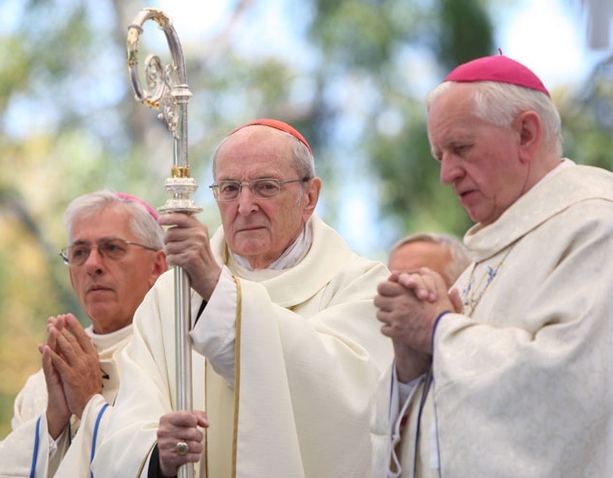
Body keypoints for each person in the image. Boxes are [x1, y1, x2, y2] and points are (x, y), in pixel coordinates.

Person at [91, 119, 396, 478]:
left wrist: (217, 292)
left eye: (265, 187)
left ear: (309, 196)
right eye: (230, 189)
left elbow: (358, 409)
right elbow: (128, 424)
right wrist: (157, 457)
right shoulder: (172, 297)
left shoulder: (360, 286)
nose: (245, 205)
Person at [374, 53, 613, 477]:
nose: (447, 174)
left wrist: (437, 331)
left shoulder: (595, 227)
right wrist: (412, 363)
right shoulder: (483, 261)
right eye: (439, 156)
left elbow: (570, 389)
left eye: (461, 148)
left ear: (526, 133)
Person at [0, 190, 168, 478]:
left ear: (157, 266)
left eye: (112, 248)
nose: (92, 264)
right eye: (79, 252)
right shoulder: (43, 386)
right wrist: (54, 421)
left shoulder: (179, 360)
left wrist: (90, 404)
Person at [368, 232, 471, 477]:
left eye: (418, 283)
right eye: (393, 285)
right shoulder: (371, 351)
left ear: (457, 293)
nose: (402, 297)